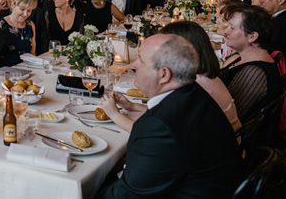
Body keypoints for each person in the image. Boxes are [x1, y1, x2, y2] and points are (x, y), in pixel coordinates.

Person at [97, 33, 241, 198]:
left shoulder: (159, 127)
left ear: (164, 75)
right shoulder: (194, 94)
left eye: (141, 60)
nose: (133, 65)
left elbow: (125, 196)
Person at [101, 21, 241, 133]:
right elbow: (170, 116)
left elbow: (152, 133)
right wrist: (132, 106)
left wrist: (115, 115)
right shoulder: (202, 76)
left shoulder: (196, 85)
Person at [219, 4, 283, 121]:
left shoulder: (255, 72)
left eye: (232, 28)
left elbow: (230, 120)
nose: (226, 32)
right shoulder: (244, 58)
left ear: (252, 36)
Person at [0, 0, 37, 66]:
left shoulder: (30, 25)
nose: (25, 14)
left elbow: (33, 53)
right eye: (22, 9)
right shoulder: (0, 25)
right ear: (13, 5)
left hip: (27, 71)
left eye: (29, 10)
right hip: (5, 72)